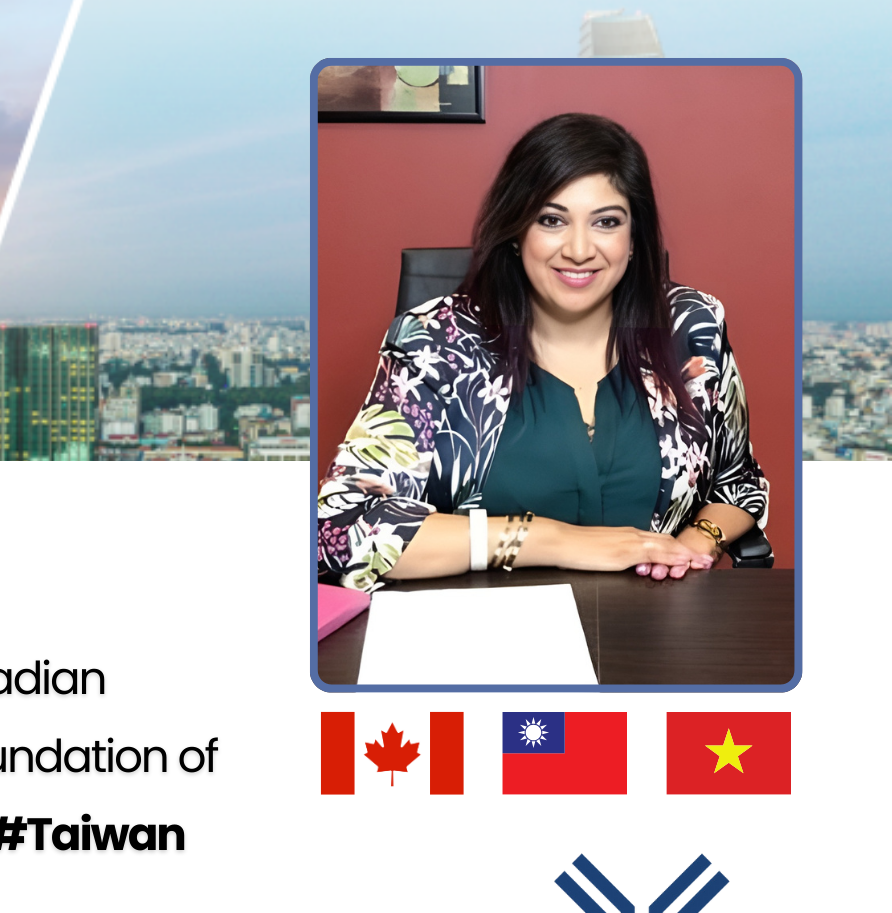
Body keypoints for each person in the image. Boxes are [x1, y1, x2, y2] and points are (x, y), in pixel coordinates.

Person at [316, 112, 768, 592]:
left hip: (655, 631)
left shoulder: (691, 324)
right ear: (516, 231)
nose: (578, 249)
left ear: (634, 238)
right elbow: (340, 529)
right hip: (483, 634)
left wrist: (701, 540)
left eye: (606, 222)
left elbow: (737, 480)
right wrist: (552, 540)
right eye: (551, 220)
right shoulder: (436, 339)